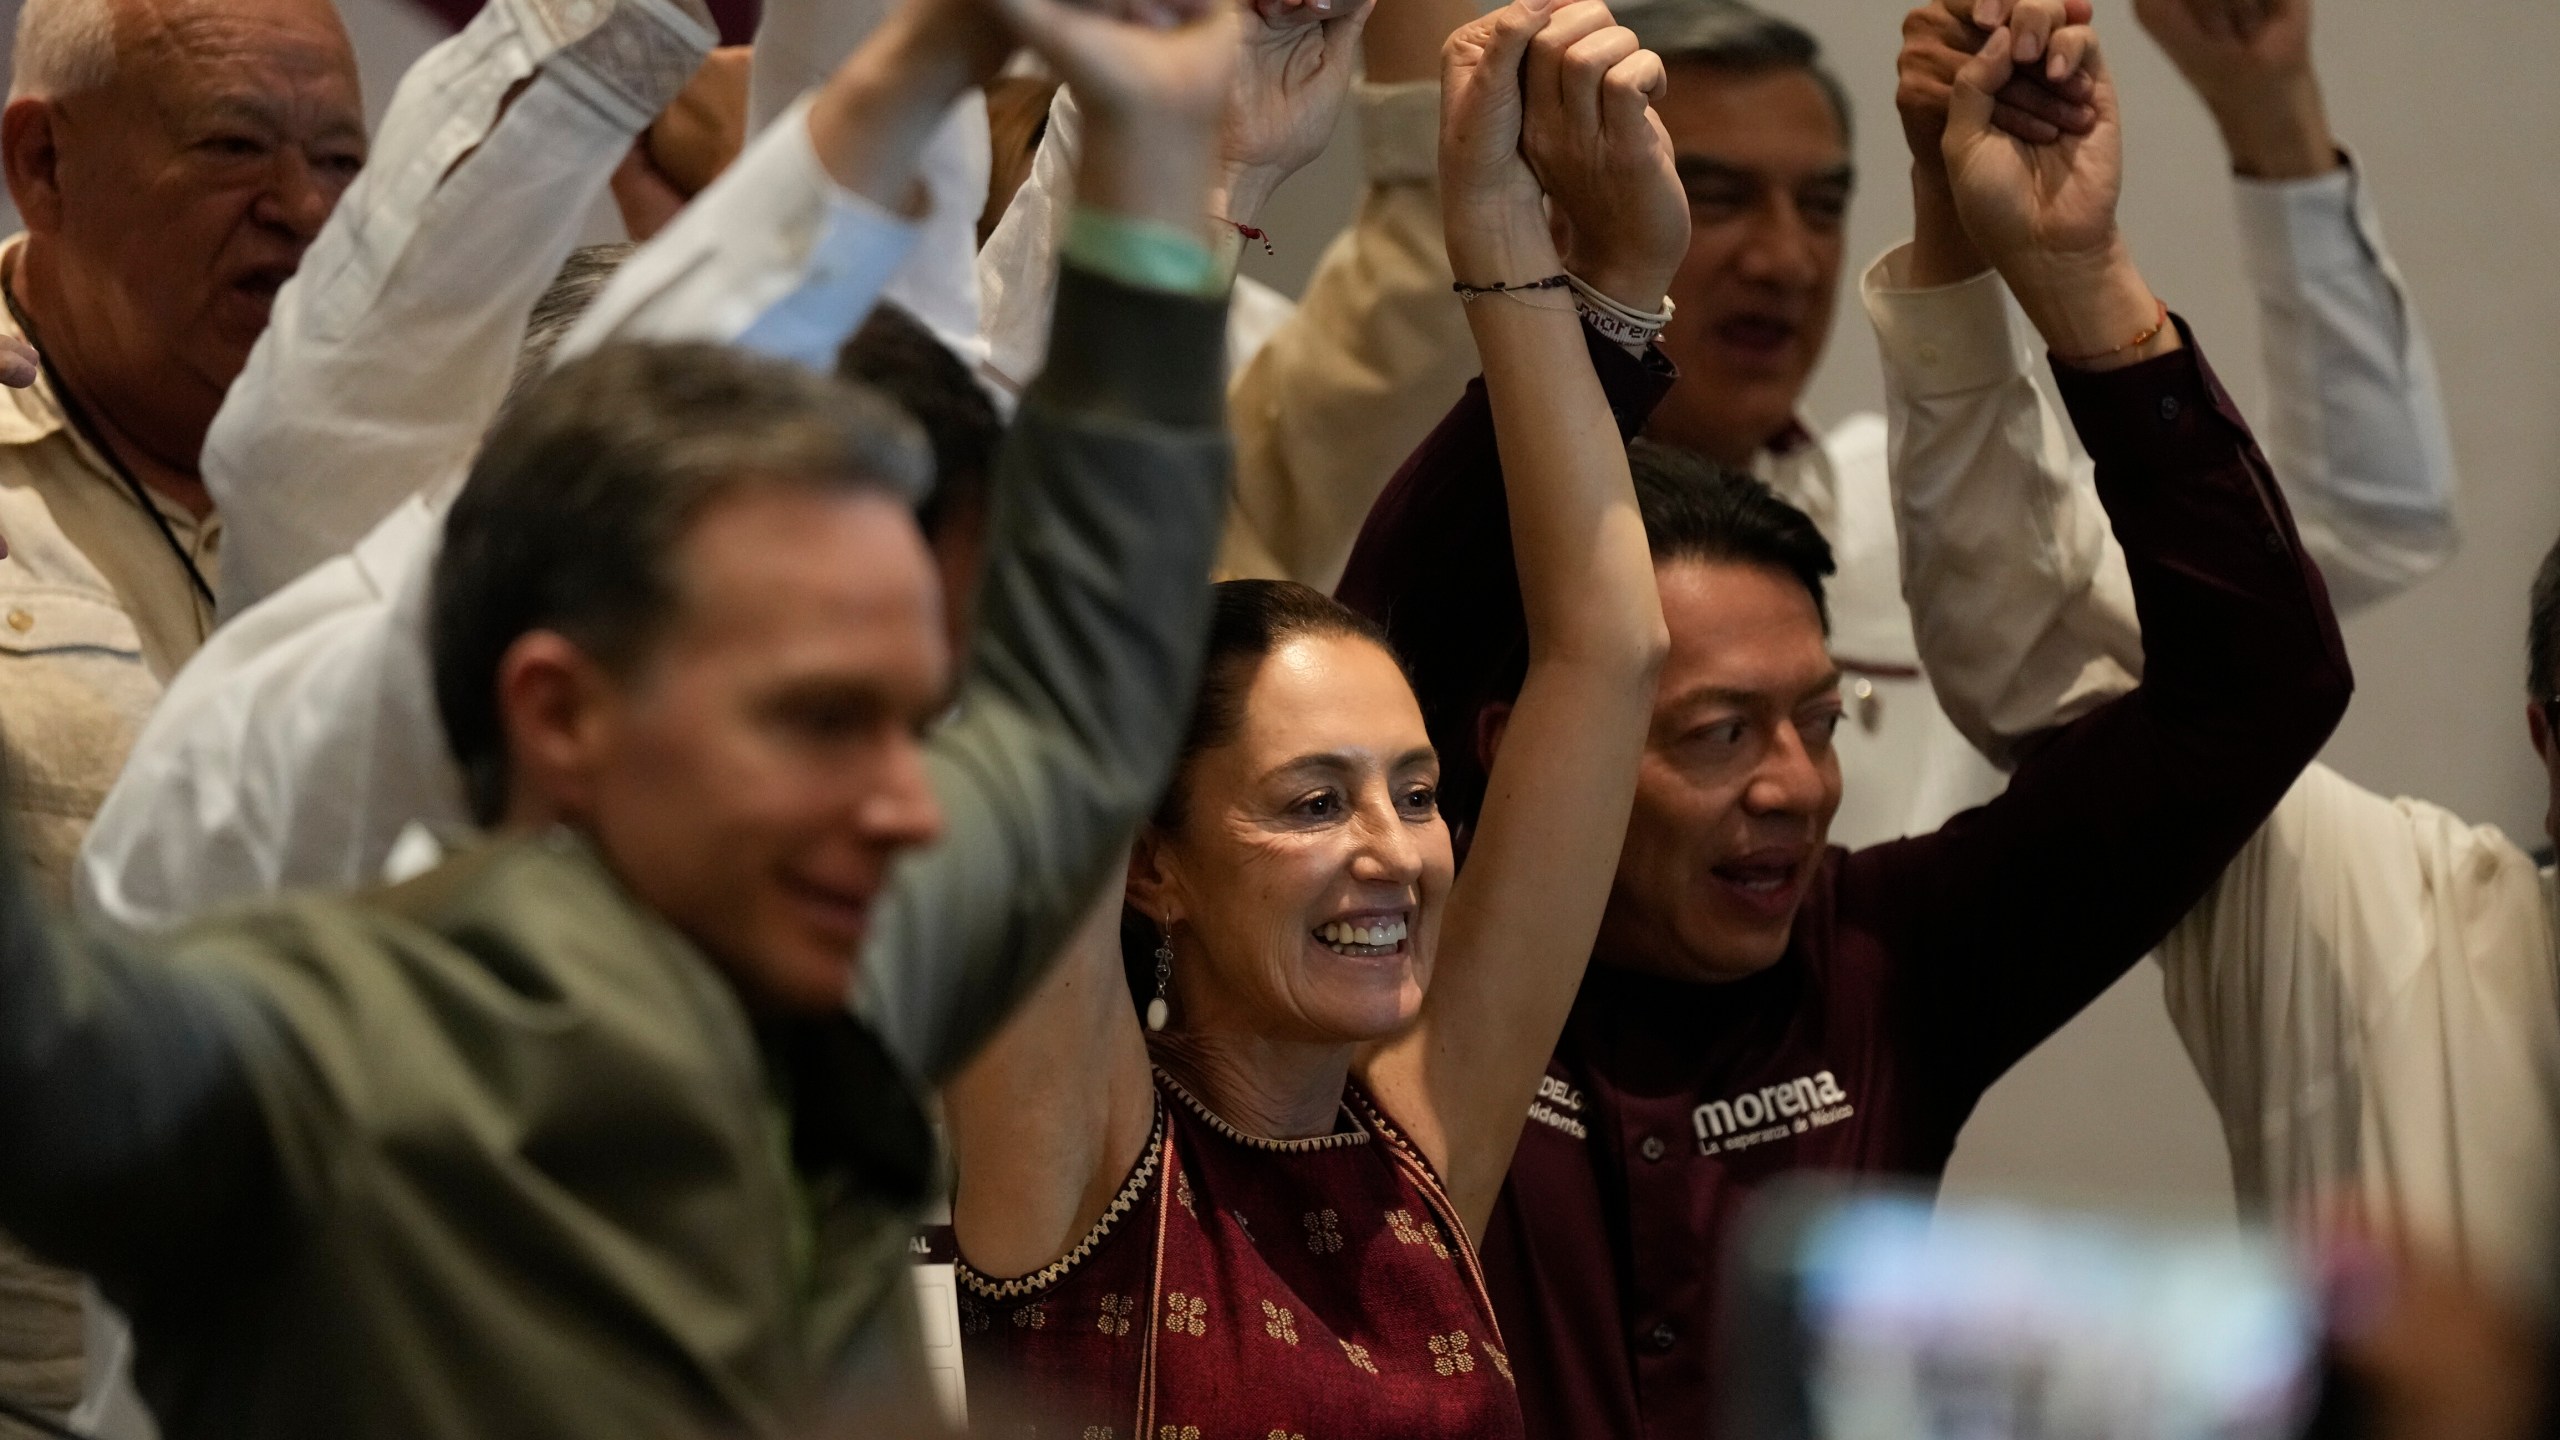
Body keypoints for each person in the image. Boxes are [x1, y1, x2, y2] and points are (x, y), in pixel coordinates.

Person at [0, 0, 1246, 1431]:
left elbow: (1087, 695)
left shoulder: (838, 919)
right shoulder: (319, 1006)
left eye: (917, 720)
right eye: (817, 719)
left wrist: (1149, 147)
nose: (913, 803)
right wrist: (896, 82)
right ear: (558, 709)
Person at [1334, 10, 2354, 1438]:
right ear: (1525, 742)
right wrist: (1598, 295)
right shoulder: (1400, 970)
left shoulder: (1888, 964)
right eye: (1715, 733)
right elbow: (1395, 627)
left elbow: (2260, 687)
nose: (1796, 789)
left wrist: (2077, 279)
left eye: (1819, 722)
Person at [1086, 0, 2451, 850]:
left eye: (1823, 202)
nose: (1785, 259)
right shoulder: (1410, 490)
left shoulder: (1899, 523)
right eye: (1721, 195)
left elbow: (2346, 545)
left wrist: (2271, 116)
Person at [937, 4, 1671, 1433]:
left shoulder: (1417, 1144)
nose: (1393, 851)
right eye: (1313, 800)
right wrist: (1216, 187)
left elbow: (1608, 648)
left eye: (1411, 790)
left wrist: (1509, 239)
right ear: (1153, 862)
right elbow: (1089, 624)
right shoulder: (1075, 1160)